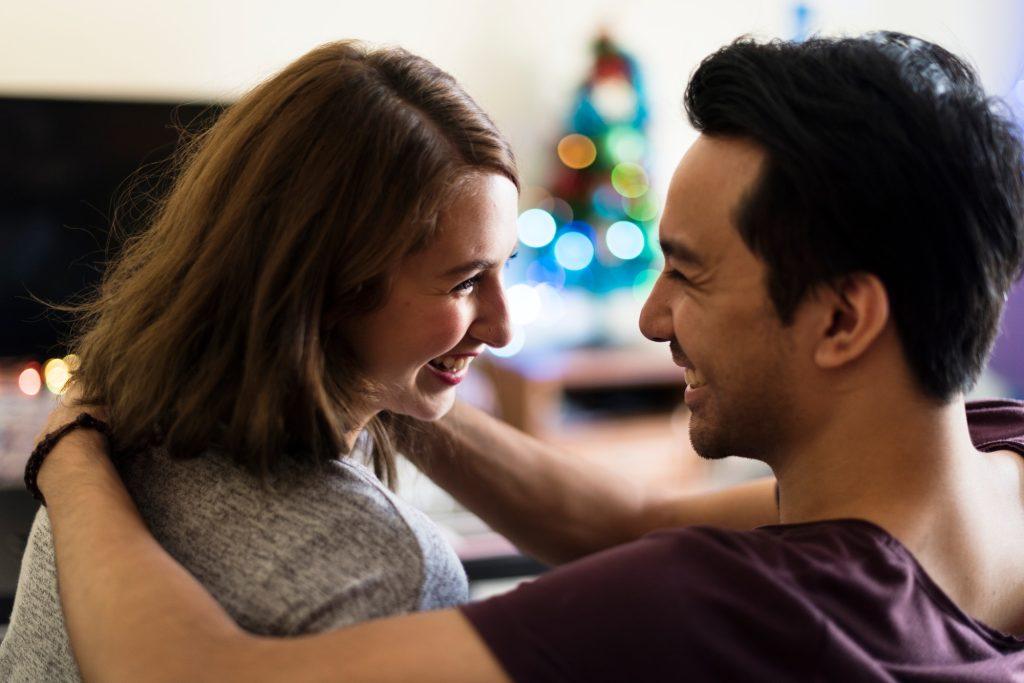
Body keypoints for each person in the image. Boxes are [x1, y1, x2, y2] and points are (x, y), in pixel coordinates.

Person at [27, 30, 1024, 681]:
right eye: (465, 281)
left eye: (688, 273)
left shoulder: (720, 609)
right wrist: (390, 367)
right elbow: (609, 518)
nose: (649, 316)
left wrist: (67, 456)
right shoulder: (1000, 460)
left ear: (843, 320)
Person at [0, 39, 525, 680]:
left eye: (505, 269)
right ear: (329, 285)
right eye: (466, 281)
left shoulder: (107, 438)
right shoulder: (390, 567)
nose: (503, 329)